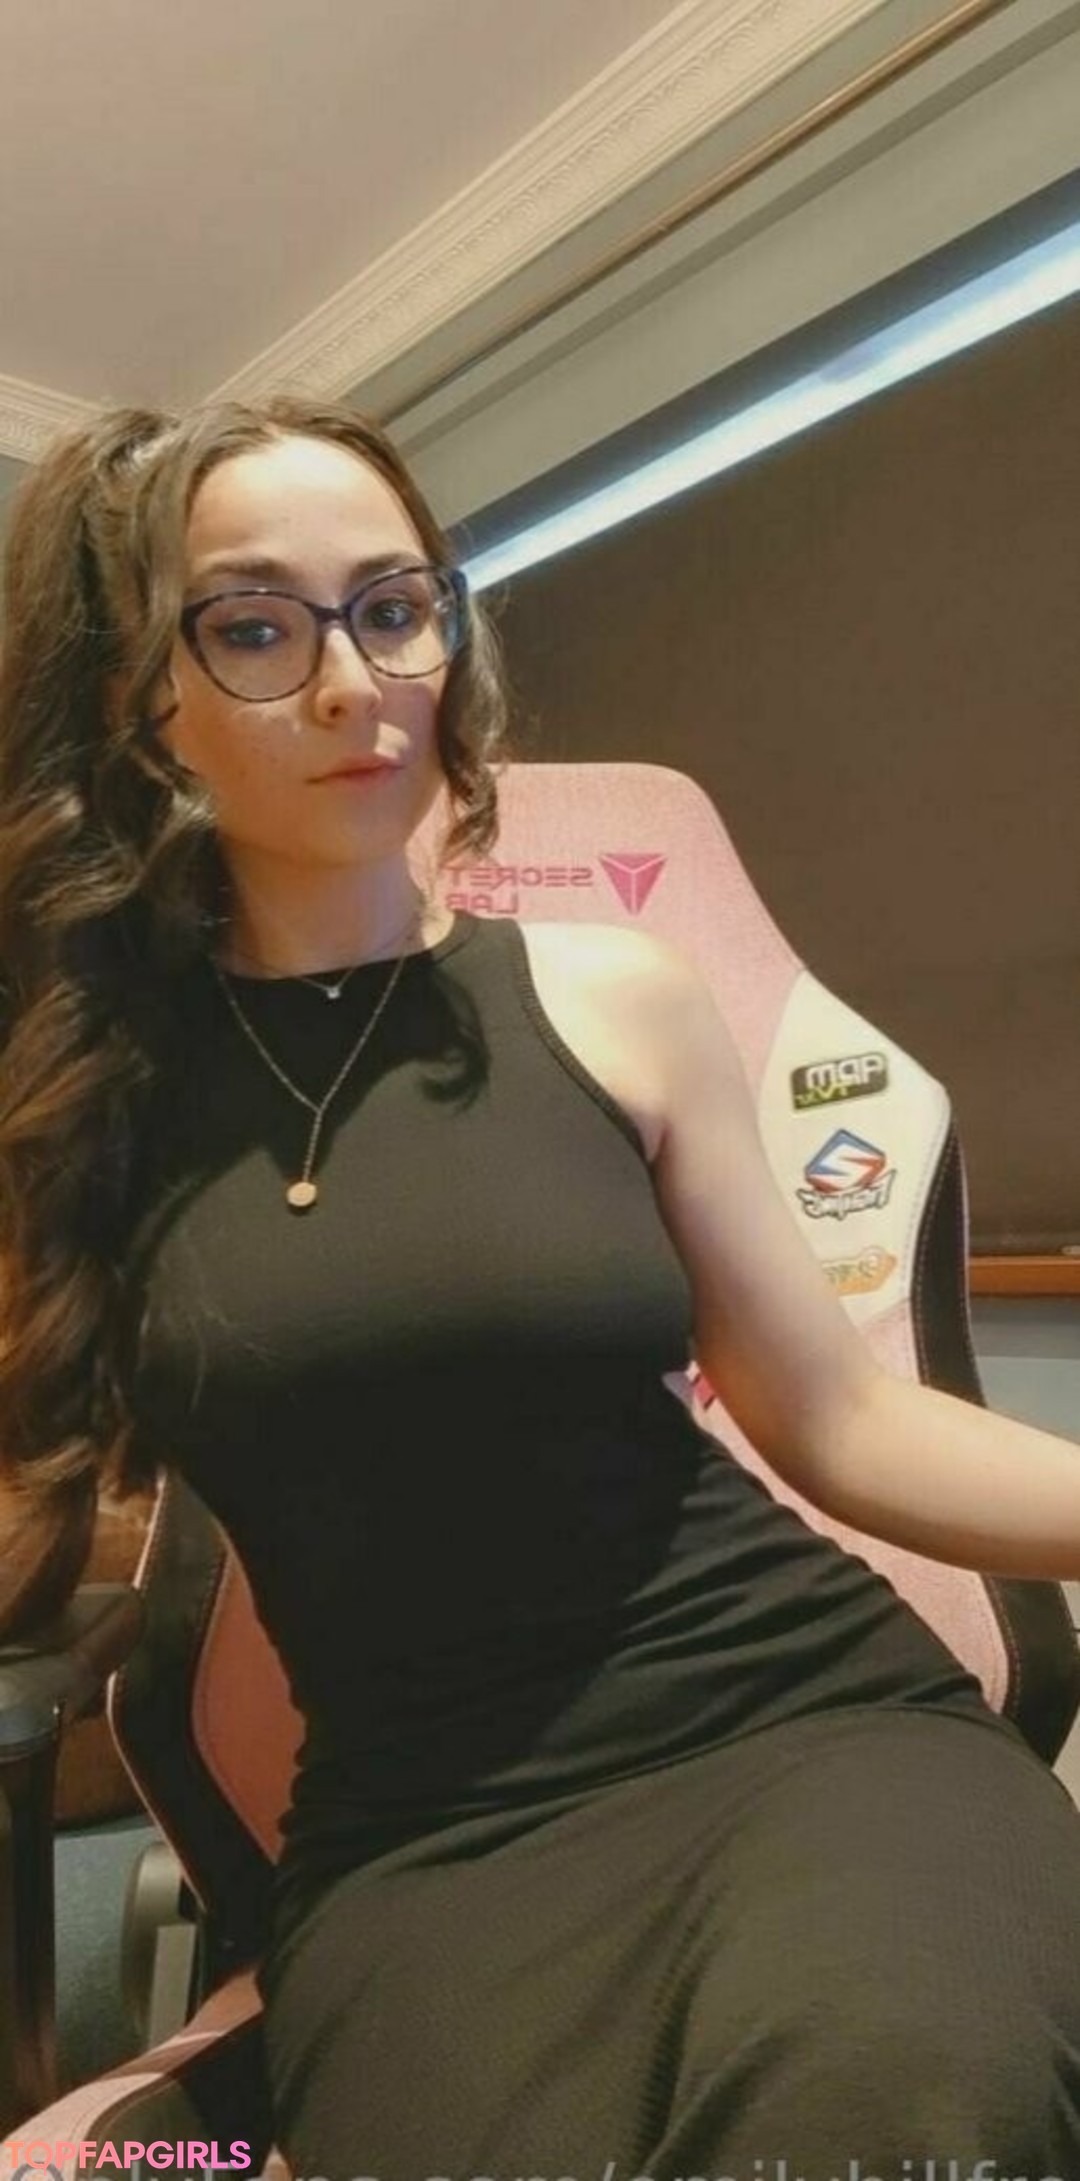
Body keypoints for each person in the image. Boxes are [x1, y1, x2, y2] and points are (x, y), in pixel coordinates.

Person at [3, 393, 1080, 2181]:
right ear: (141, 696)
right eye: (256, 627)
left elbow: (843, 1421)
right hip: (424, 1844)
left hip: (794, 1728)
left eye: (394, 608)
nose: (355, 682)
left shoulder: (611, 995)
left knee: (878, 2105)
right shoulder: (84, 1098)